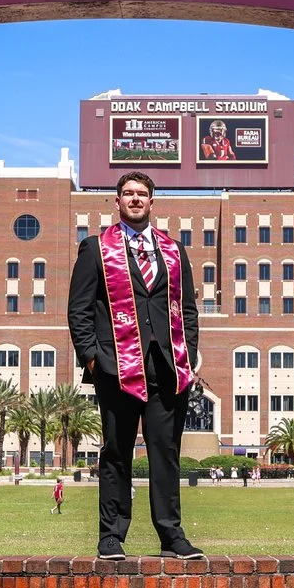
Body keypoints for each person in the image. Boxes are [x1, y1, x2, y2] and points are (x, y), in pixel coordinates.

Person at [69, 171, 204, 559]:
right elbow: (78, 311)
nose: (134, 199)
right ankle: (111, 535)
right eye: (127, 193)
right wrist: (94, 361)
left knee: (166, 453)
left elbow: (188, 310)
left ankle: (171, 536)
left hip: (167, 368)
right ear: (117, 201)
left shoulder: (174, 251)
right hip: (117, 368)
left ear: (151, 202)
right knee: (116, 452)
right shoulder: (95, 249)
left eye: (141, 194)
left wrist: (189, 352)